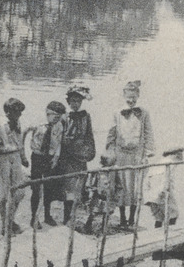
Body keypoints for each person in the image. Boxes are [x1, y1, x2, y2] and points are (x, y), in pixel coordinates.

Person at [104, 80, 154, 229]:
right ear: (123, 95)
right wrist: (110, 151)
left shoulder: (144, 113)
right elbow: (111, 134)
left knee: (135, 188)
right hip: (121, 155)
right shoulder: (117, 113)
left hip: (137, 155)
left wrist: (147, 153)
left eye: (134, 97)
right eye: (128, 97)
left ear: (138, 95)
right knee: (122, 186)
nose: (131, 100)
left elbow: (148, 133)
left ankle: (132, 218)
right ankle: (122, 218)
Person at [56, 86, 96, 226]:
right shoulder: (64, 117)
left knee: (79, 186)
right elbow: (59, 137)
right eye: (73, 101)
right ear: (68, 102)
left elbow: (89, 135)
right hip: (68, 156)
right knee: (68, 188)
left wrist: (90, 152)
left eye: (78, 101)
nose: (75, 104)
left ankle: (74, 216)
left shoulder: (86, 116)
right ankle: (66, 217)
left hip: (81, 155)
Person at [0, 98, 30, 236]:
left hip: (16, 158)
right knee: (3, 194)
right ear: (7, 112)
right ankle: (4, 225)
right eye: (16, 112)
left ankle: (10, 220)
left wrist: (23, 158)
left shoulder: (17, 123)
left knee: (19, 192)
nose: (19, 115)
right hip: (3, 160)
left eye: (20, 112)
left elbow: (19, 142)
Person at [29, 101, 66, 228]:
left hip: (50, 158)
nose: (57, 119)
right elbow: (23, 132)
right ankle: (34, 217)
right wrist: (22, 153)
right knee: (36, 189)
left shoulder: (59, 125)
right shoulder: (37, 123)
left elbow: (59, 142)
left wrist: (56, 158)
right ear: (48, 113)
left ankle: (47, 215)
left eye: (59, 116)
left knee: (49, 188)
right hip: (38, 157)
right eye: (55, 116)